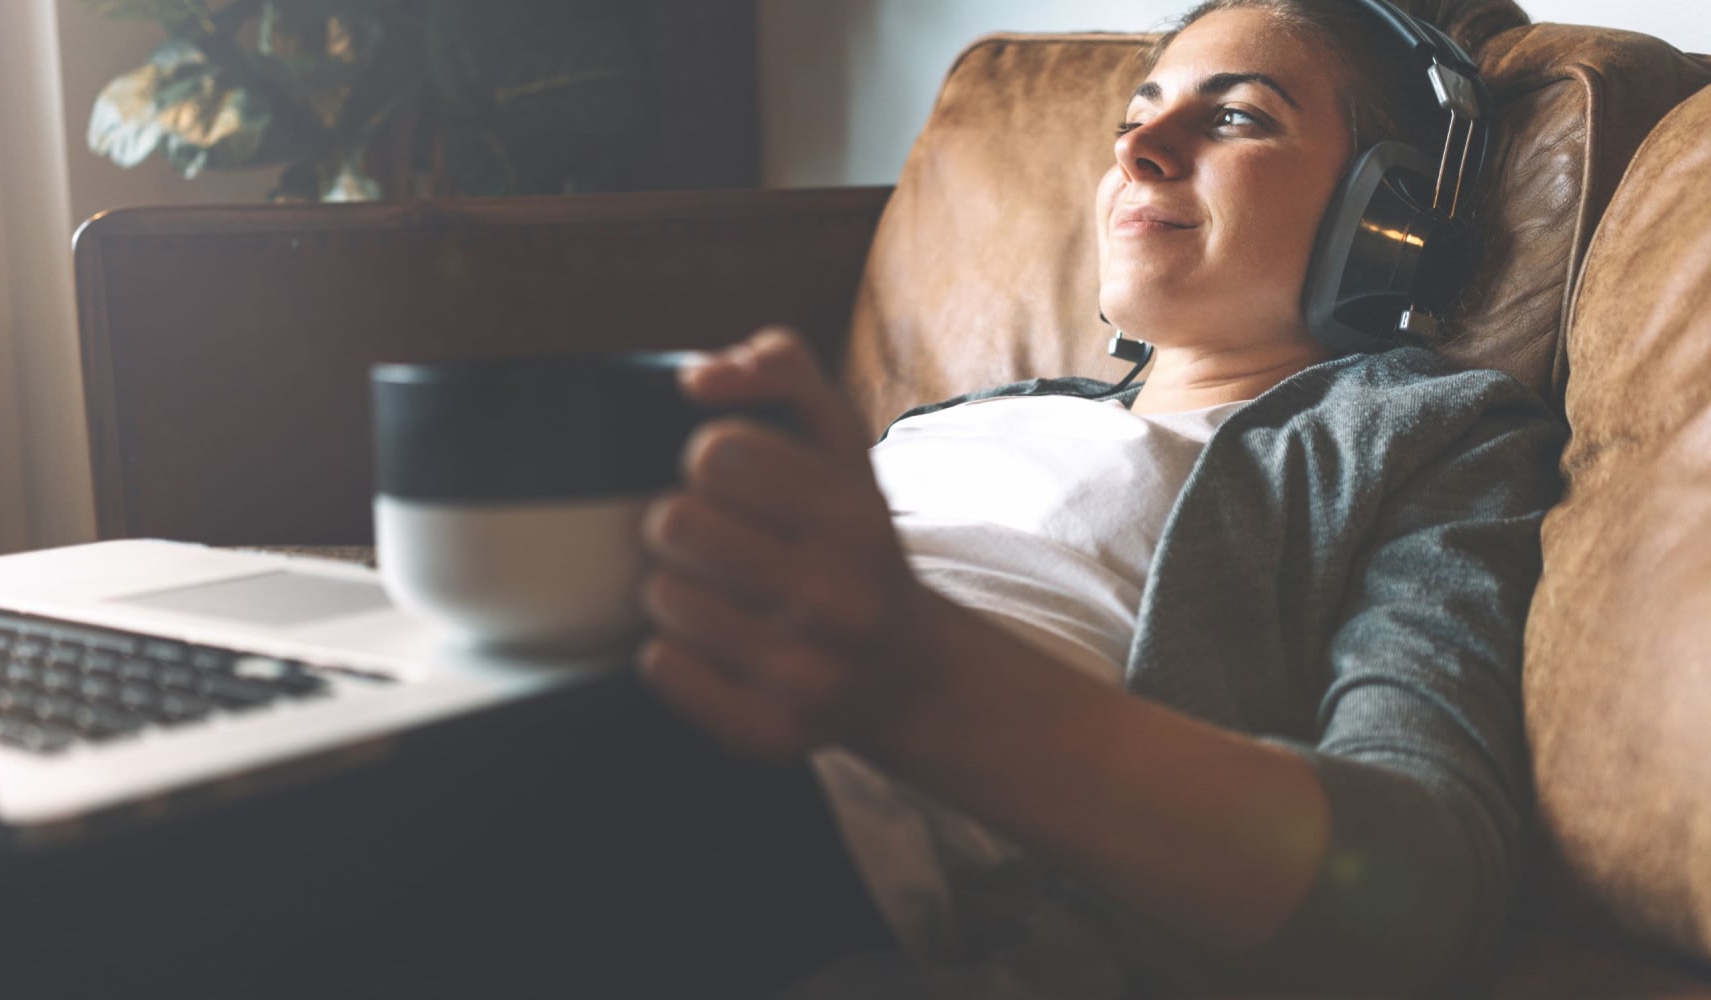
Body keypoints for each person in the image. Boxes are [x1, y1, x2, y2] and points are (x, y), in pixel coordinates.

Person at [635, 0, 1564, 995]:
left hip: (802, 824)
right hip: (633, 681)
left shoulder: (1428, 435)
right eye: (1139, 108)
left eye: (1237, 116)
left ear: (1386, 220)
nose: (1138, 148)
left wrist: (918, 675)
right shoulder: (968, 415)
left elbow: (1422, 889)